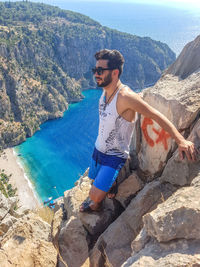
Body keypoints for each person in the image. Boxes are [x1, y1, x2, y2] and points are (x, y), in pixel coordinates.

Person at [79, 49, 198, 212]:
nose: (95, 74)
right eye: (95, 70)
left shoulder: (126, 97)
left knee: (94, 196)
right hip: (98, 150)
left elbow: (156, 115)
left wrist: (180, 140)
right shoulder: (106, 89)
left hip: (115, 155)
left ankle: (98, 202)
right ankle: (111, 183)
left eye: (100, 71)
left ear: (114, 73)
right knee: (92, 180)